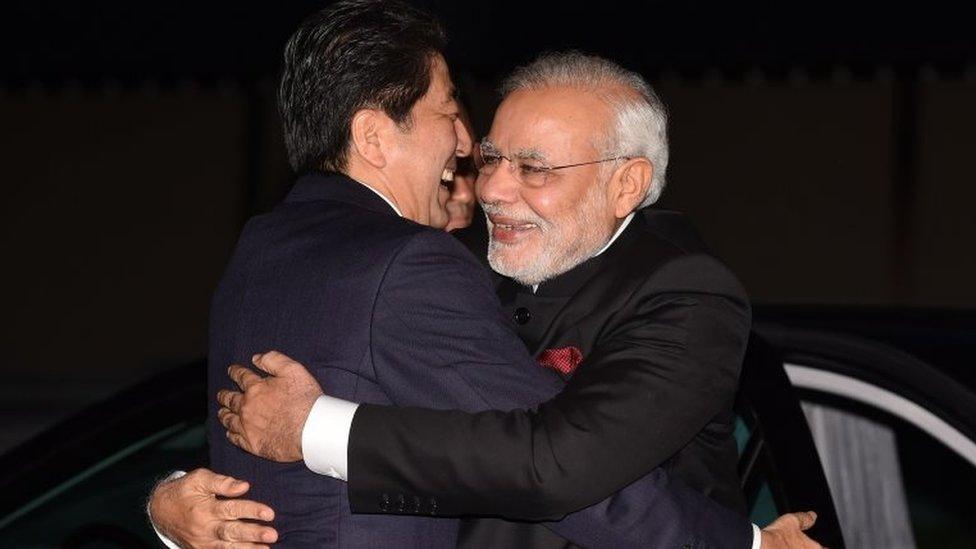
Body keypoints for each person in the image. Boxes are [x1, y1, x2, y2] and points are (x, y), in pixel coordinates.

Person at [149, 2, 820, 548]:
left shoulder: (686, 294)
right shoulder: (435, 266)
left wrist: (315, 427)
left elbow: (555, 465)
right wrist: (170, 500)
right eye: (493, 155)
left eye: (532, 167)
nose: (490, 182)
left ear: (627, 184)